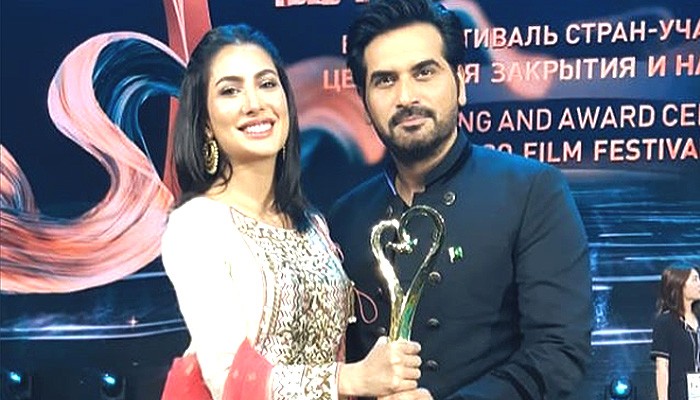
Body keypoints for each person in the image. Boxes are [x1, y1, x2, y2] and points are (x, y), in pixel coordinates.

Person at [327, 1, 593, 399]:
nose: (406, 96)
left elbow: (559, 352)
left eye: (424, 72)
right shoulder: (346, 216)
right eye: (384, 80)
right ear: (364, 103)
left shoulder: (532, 191)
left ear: (461, 84)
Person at [160, 24, 424, 400]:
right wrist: (351, 379)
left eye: (267, 84)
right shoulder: (197, 225)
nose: (254, 103)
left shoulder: (311, 224)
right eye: (230, 90)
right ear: (205, 124)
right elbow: (228, 378)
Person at [651, 265, 700, 400]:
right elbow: (662, 367)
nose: (699, 284)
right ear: (680, 285)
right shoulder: (665, 322)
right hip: (679, 393)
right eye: (694, 279)